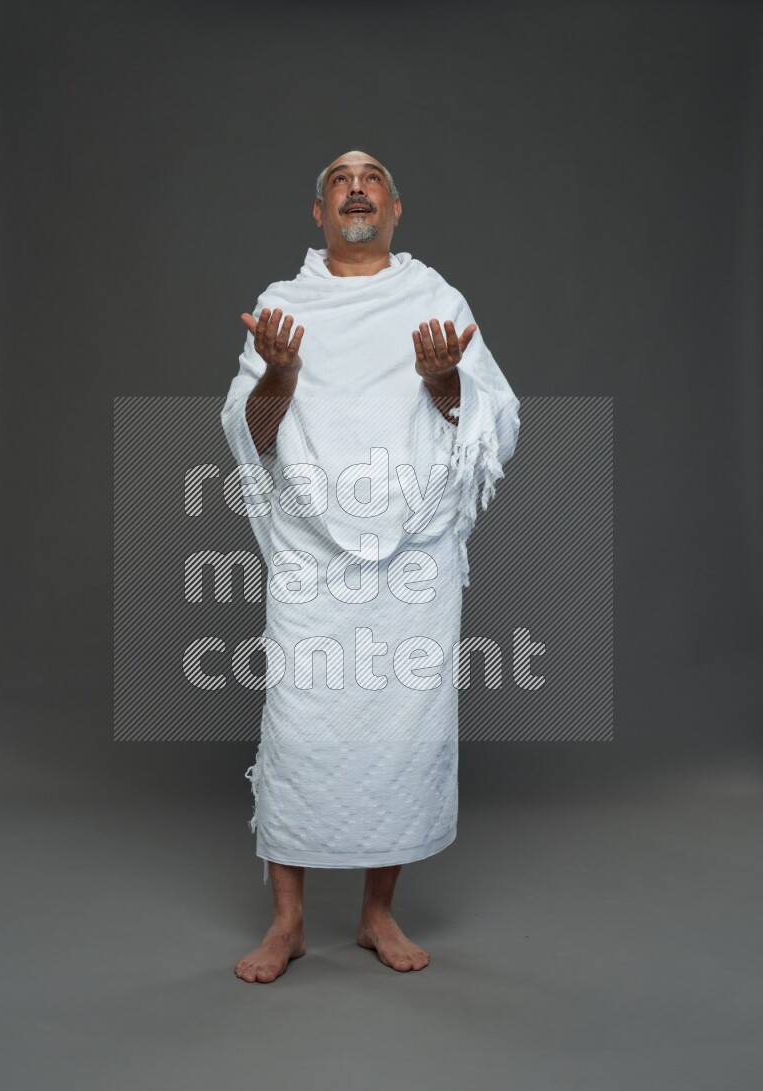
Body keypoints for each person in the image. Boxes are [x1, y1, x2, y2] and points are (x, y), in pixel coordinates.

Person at [221, 149, 520, 982]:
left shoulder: (436, 301)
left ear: (395, 207)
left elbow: (497, 418)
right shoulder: (282, 308)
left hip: (412, 557)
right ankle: (286, 923)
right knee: (300, 725)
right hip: (313, 557)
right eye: (339, 178)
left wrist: (447, 384)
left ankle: (377, 913)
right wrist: (277, 378)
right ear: (318, 214)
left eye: (373, 175)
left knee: (399, 730)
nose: (357, 184)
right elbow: (250, 434)